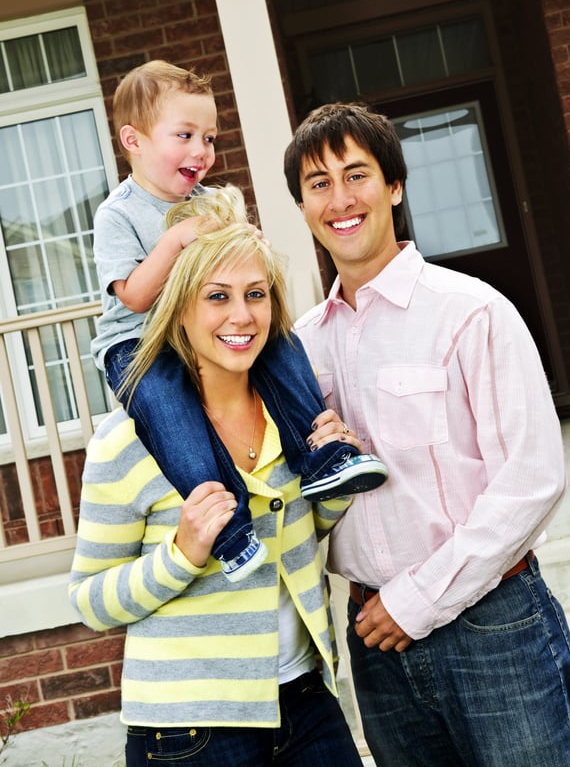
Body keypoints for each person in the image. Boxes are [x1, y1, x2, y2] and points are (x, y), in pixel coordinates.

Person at [283, 101, 570, 767]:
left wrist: (415, 600)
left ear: (394, 186)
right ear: (302, 204)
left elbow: (533, 480)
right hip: (377, 646)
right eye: (318, 184)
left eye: (356, 174)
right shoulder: (300, 346)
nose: (340, 199)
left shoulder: (470, 312)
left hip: (493, 629)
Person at [70, 186, 365, 767]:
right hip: (190, 732)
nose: (242, 316)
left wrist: (334, 477)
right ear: (181, 306)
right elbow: (90, 601)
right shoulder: (127, 441)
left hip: (307, 702)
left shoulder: (292, 413)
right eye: (218, 297)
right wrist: (180, 553)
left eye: (256, 295)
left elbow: (303, 537)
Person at [91, 60, 388, 582]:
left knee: (278, 340)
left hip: (203, 334)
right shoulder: (119, 213)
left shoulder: (212, 202)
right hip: (138, 346)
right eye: (184, 135)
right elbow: (135, 297)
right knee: (174, 418)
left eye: (208, 137)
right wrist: (177, 239)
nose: (201, 151)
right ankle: (228, 532)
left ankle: (319, 457)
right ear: (133, 140)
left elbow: (242, 269)